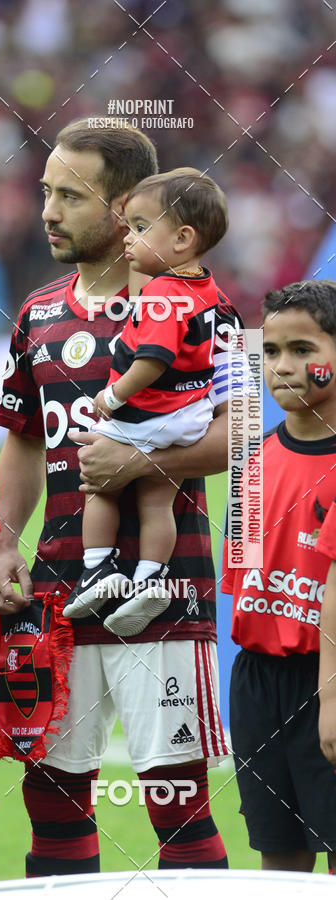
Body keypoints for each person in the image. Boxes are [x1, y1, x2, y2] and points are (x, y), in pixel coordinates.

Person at [0, 120, 237, 876]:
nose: (49, 212)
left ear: (126, 203)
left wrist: (135, 464)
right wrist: (4, 543)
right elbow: (25, 440)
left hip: (165, 594)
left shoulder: (197, 307)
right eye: (45, 193)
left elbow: (244, 437)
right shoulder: (37, 312)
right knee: (54, 810)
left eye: (70, 195)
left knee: (178, 808)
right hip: (58, 593)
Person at [64, 169, 229, 637]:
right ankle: (151, 578)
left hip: (149, 412)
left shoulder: (159, 292)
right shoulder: (214, 295)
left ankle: (97, 569)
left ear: (182, 239)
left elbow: (153, 358)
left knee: (99, 482)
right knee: (158, 502)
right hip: (188, 416)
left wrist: (112, 396)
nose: (127, 237)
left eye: (139, 227)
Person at [223, 280, 336, 873]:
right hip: (259, 684)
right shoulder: (253, 458)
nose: (283, 366)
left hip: (330, 679)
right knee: (279, 867)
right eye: (269, 351)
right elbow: (244, 585)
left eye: (302, 349)